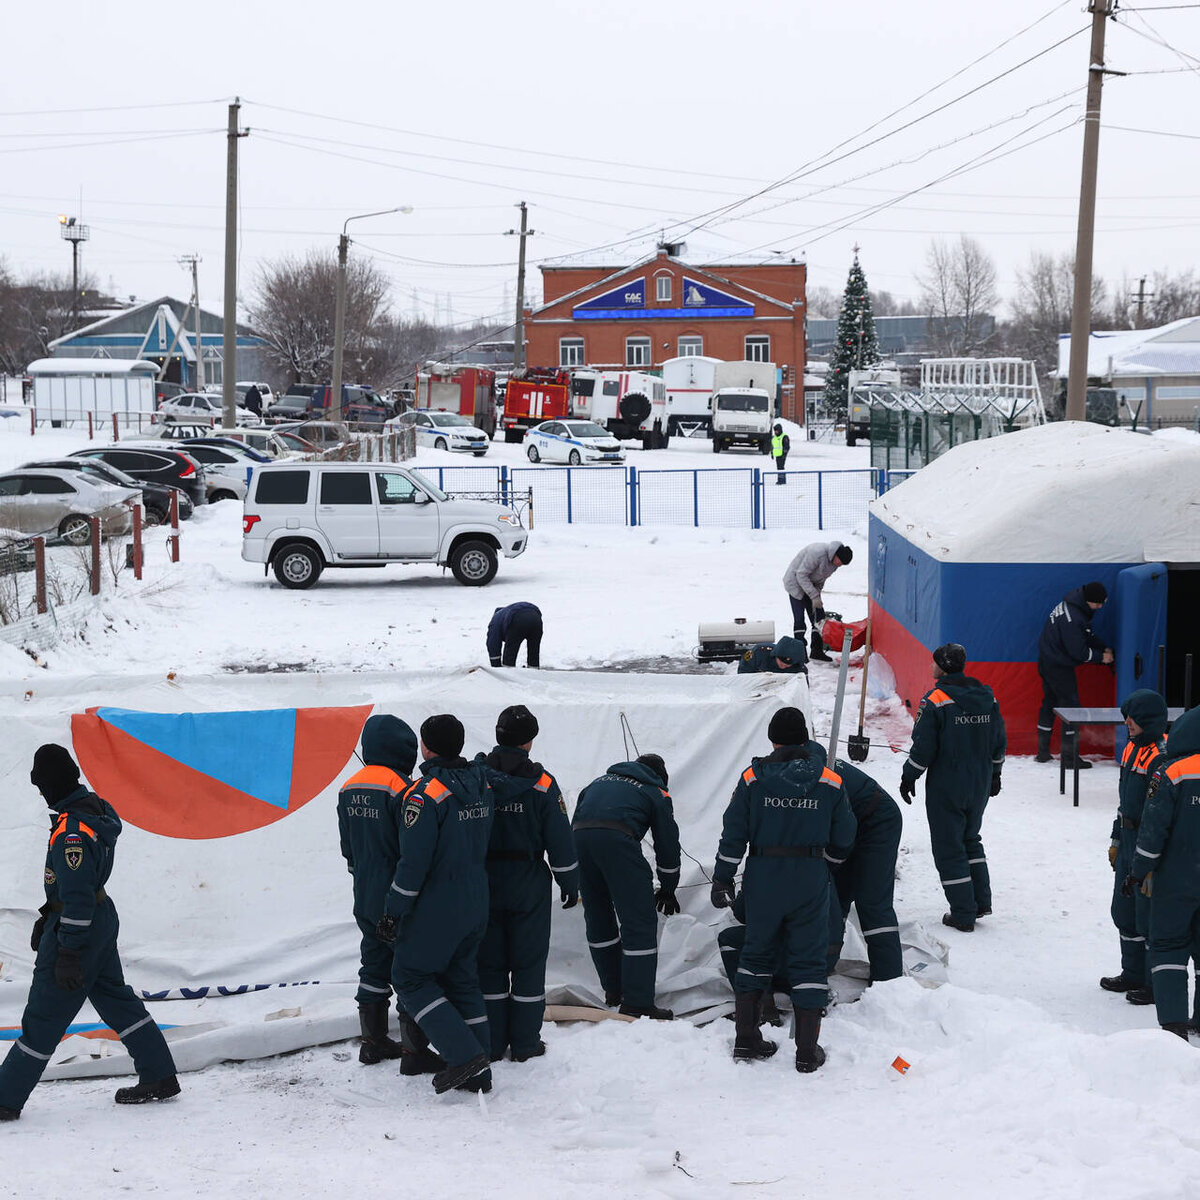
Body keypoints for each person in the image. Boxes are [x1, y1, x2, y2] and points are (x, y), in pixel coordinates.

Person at [0, 745, 180, 1120]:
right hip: (99, 919)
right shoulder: (96, 810)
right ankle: (159, 1074)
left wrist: (67, 950)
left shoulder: (71, 832)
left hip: (78, 927)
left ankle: (5, 1097)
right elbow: (79, 888)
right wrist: (48, 913)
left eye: (41, 785)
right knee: (115, 998)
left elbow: (78, 895)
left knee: (44, 1014)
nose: (40, 793)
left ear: (52, 784)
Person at [710, 707, 856, 1072]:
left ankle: (747, 1040)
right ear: (805, 739)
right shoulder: (829, 781)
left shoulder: (752, 779)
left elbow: (733, 833)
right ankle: (807, 1052)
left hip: (763, 875)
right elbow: (845, 836)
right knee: (807, 959)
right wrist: (828, 864)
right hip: (808, 875)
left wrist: (723, 876)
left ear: (772, 740)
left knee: (756, 953)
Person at [378, 714, 494, 1095]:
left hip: (438, 905)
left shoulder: (423, 795)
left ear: (425, 748)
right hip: (476, 899)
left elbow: (412, 865)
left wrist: (393, 911)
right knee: (462, 979)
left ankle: (463, 1056)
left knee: (409, 977)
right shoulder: (482, 784)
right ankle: (480, 1068)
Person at [338, 713, 441, 1072]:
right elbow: (410, 847)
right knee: (408, 966)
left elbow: (348, 847)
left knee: (373, 963)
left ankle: (372, 1041)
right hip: (396, 895)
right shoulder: (403, 788)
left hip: (363, 891)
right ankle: (414, 1048)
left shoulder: (348, 786)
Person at [476, 705, 579, 1063]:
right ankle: (524, 1043)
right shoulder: (543, 784)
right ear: (530, 741)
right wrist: (569, 881)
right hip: (528, 883)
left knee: (487, 964)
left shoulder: (476, 778)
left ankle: (490, 1042)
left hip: (482, 882)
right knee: (528, 964)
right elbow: (560, 839)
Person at [900, 643, 1006, 933]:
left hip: (948, 783)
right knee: (971, 838)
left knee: (949, 846)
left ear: (942, 667)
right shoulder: (987, 696)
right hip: (980, 781)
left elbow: (924, 747)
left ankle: (963, 912)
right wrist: (995, 772)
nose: (931, 667)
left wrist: (910, 775)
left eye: (934, 663)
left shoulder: (935, 700)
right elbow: (999, 739)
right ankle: (980, 901)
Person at [572, 753, 681, 1019]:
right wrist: (668, 887)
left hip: (578, 843)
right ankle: (638, 1001)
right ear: (660, 778)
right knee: (639, 921)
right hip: (617, 841)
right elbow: (667, 845)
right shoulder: (656, 792)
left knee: (598, 917)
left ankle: (614, 990)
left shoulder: (596, 783)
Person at [1125, 705, 1200, 1040]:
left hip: (1176, 880)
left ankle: (1173, 1026)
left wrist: (1138, 872)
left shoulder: (1172, 772)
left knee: (1168, 946)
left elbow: (1153, 831)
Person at [1100, 690, 1169, 1006]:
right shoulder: (1131, 749)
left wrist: (1150, 856)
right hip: (1128, 840)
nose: (1127, 722)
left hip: (1147, 844)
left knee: (1149, 915)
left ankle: (1155, 984)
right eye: (1127, 716)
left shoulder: (1161, 755)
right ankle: (1132, 972)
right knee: (1124, 909)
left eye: (1134, 718)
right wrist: (1117, 838)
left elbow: (1160, 813)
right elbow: (1123, 801)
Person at [827, 758, 904, 984]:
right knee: (835, 895)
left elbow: (842, 833)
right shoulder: (800, 763)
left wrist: (831, 862)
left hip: (878, 820)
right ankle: (825, 960)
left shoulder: (817, 775)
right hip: (853, 822)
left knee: (873, 902)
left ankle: (888, 980)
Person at [1036, 582, 1114, 767]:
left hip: (1047, 661)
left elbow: (1085, 634)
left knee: (1050, 703)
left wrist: (1103, 646)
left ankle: (1042, 752)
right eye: (1098, 603)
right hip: (1058, 666)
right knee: (1071, 709)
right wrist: (1101, 657)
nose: (1101, 607)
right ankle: (1070, 759)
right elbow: (1078, 651)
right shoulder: (1073, 617)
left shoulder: (1073, 607)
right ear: (1089, 601)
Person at [782, 541, 853, 663]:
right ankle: (799, 652)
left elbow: (821, 579)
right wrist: (814, 596)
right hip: (795, 582)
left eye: (842, 564)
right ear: (835, 555)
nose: (839, 565)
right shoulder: (817, 552)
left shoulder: (834, 564)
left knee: (819, 617)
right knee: (799, 620)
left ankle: (816, 650)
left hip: (810, 585)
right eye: (839, 562)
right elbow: (801, 575)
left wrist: (817, 595)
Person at [487, 602, 543, 668]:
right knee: (534, 650)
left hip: (517, 617)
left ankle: (508, 674)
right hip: (536, 616)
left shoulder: (495, 621)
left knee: (510, 654)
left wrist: (496, 666)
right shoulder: (505, 613)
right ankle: (534, 671)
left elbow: (493, 644)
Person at [737, 635, 808, 676]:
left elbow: (802, 691)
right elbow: (744, 670)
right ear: (775, 655)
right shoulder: (758, 652)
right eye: (781, 662)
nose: (783, 666)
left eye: (787, 666)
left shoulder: (800, 669)